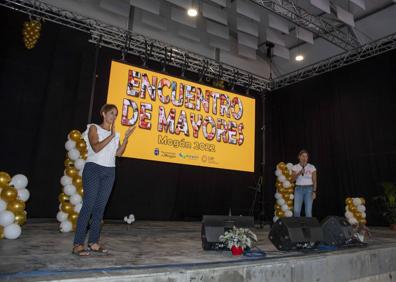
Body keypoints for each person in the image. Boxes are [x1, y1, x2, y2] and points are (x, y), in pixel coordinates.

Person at [72, 104, 135, 256]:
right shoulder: (94, 128)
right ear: (103, 113)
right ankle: (78, 244)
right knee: (89, 205)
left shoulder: (116, 134)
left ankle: (93, 242)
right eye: (111, 113)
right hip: (94, 168)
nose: (114, 116)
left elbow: (119, 154)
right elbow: (96, 148)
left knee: (100, 208)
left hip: (109, 171)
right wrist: (111, 135)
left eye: (116, 114)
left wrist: (125, 138)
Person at [291, 150, 317, 217]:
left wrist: (314, 191)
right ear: (299, 157)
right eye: (303, 156)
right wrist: (299, 173)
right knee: (296, 211)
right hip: (298, 189)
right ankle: (297, 227)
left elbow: (314, 180)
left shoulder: (311, 167)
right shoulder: (295, 167)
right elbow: (292, 180)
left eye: (306, 156)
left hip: (309, 189)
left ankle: (309, 227)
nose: (304, 158)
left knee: (308, 211)